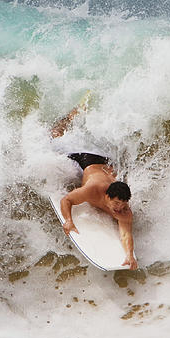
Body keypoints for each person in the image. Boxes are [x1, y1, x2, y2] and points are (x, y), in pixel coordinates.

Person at [51, 100, 138, 270]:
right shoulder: (92, 190)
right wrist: (68, 220)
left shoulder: (125, 211)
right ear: (107, 196)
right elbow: (66, 200)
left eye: (123, 204)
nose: (119, 208)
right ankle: (74, 112)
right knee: (55, 134)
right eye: (116, 204)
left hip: (104, 160)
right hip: (86, 160)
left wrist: (129, 255)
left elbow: (126, 234)